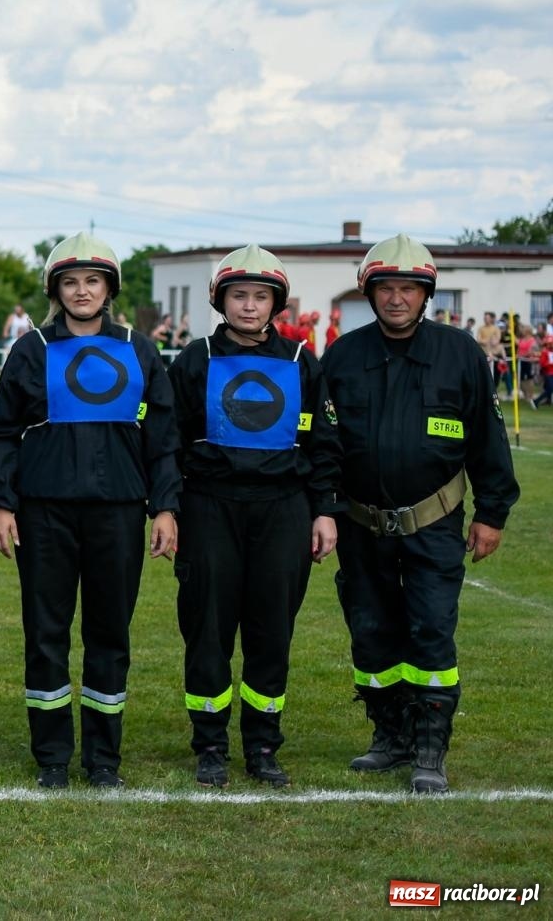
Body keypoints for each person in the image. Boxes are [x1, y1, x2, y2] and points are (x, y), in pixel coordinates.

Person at [0, 233, 180, 789]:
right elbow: (1, 434)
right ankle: (51, 757)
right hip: (43, 514)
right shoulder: (31, 349)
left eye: (93, 281)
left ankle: (102, 760)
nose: (82, 291)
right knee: (46, 632)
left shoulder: (139, 350)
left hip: (118, 511)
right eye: (70, 282)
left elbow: (164, 438)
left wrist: (164, 508)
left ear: (109, 288)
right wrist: (2, 504)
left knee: (109, 633)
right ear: (55, 290)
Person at [323, 235, 519, 793]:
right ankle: (391, 735)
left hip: (435, 524)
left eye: (409, 288)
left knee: (431, 630)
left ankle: (431, 747)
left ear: (425, 293)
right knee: (371, 633)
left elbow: (488, 439)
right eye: (386, 287)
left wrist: (493, 512)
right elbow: (324, 446)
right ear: (371, 292)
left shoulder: (459, 355)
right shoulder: (342, 357)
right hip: (361, 525)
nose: (397, 298)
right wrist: (325, 511)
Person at [166, 246, 341, 788]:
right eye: (239, 295)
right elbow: (167, 441)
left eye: (260, 296)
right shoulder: (194, 359)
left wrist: (325, 511)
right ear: (221, 300)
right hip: (210, 506)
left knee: (271, 631)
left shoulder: (300, 361)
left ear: (276, 303)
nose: (248, 306)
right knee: (209, 629)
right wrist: (168, 508)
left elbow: (325, 443)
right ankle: (210, 745)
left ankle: (263, 746)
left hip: (283, 511)